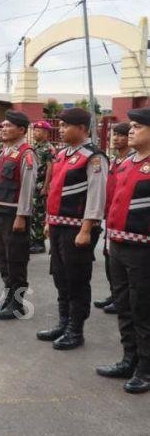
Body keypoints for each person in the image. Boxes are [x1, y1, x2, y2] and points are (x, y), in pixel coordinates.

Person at [36, 108, 107, 350]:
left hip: (77, 228)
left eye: (67, 126)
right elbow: (55, 190)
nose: (62, 130)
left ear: (83, 129)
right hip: (58, 225)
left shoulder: (93, 157)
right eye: (61, 126)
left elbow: (97, 197)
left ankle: (76, 330)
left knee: (77, 279)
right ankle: (63, 322)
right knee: (60, 276)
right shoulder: (63, 154)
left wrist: (87, 228)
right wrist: (48, 220)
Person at [96, 108, 150, 394]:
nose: (131, 131)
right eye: (131, 126)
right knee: (125, 306)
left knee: (143, 310)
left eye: (138, 126)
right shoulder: (127, 163)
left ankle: (146, 368)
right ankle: (129, 359)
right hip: (118, 244)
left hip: (143, 249)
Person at [0, 111, 37, 320]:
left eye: (8, 126)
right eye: (2, 125)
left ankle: (17, 303)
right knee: (3, 258)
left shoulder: (26, 153)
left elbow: (27, 187)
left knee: (16, 260)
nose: (3, 128)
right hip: (2, 212)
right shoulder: (5, 151)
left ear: (21, 130)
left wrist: (22, 216)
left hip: (16, 214)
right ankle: (7, 297)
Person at [95, 122, 133, 314]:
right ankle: (114, 294)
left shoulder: (132, 160)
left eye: (121, 135)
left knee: (119, 261)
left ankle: (122, 300)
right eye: (114, 135)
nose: (116, 138)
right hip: (110, 216)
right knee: (109, 258)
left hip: (123, 219)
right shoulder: (115, 160)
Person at [29, 121, 56, 254]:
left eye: (39, 131)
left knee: (39, 214)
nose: (35, 133)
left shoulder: (48, 148)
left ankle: (39, 243)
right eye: (35, 130)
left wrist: (46, 187)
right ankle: (33, 239)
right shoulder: (34, 147)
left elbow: (50, 168)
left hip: (41, 185)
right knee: (32, 213)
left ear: (46, 133)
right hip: (33, 184)